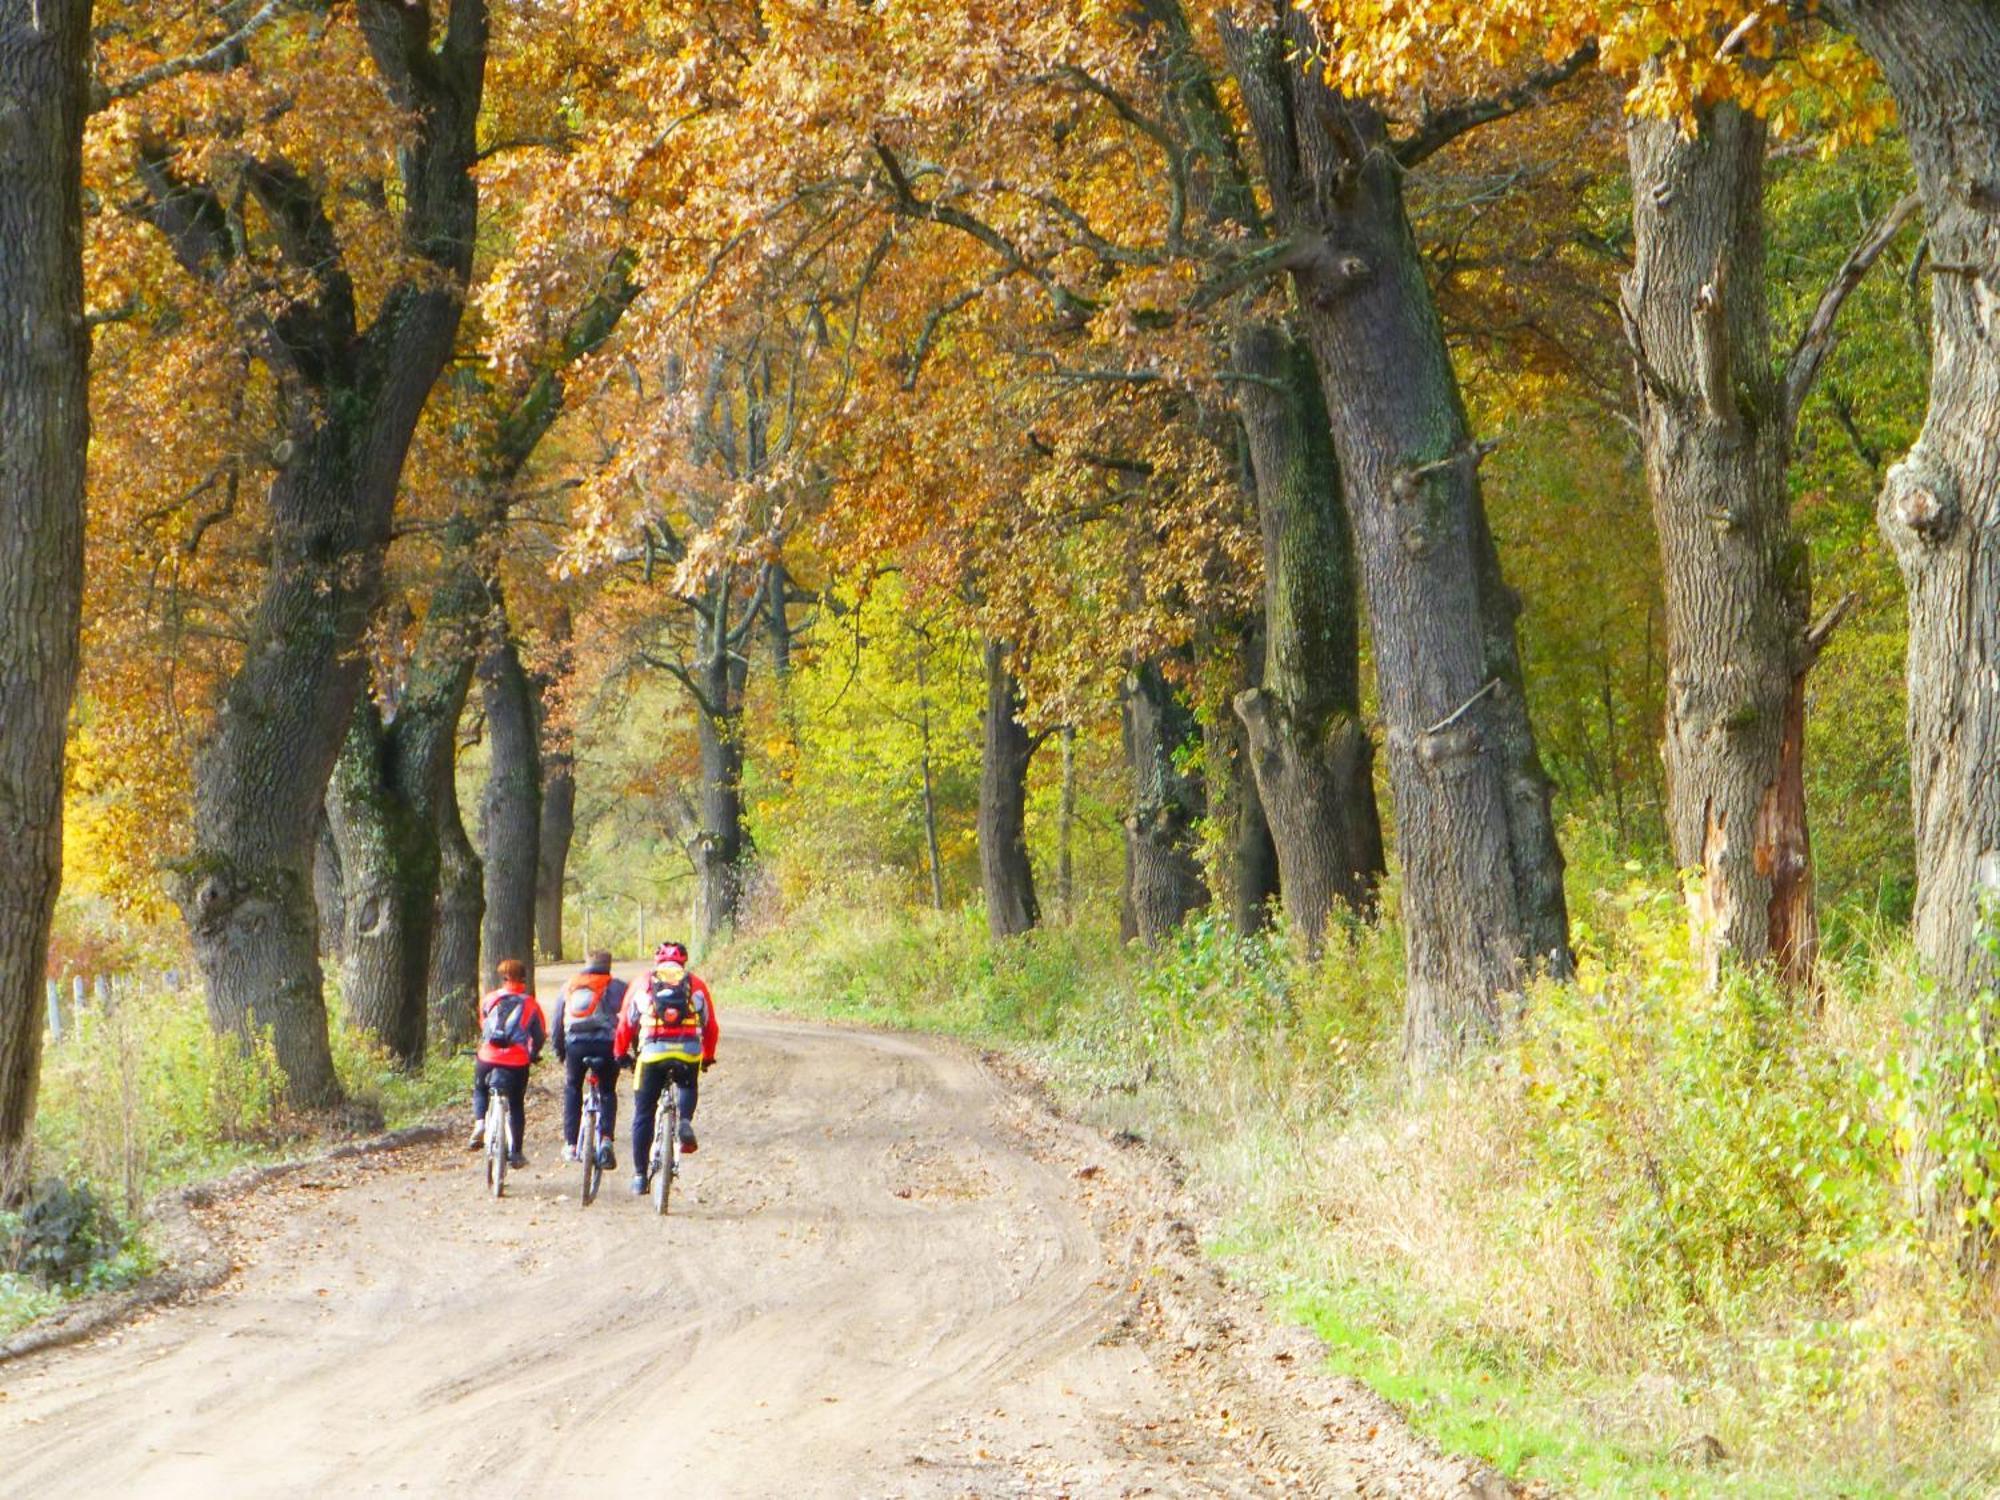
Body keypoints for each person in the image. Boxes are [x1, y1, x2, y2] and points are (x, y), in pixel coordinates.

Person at [616, 941, 718, 1194]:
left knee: (643, 1113)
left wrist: (621, 1053)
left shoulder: (643, 982)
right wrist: (707, 1055)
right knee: (688, 1082)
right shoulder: (696, 985)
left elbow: (625, 1023)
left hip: (652, 1053)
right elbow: (710, 1026)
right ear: (684, 962)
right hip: (688, 1051)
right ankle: (684, 1120)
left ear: (657, 961)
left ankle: (640, 1176)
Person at [468, 958, 546, 1169]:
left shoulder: (489, 999)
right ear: (524, 979)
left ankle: (480, 1124)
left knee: (480, 1088)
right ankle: (516, 1153)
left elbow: (484, 1026)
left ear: (503, 978)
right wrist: (533, 1053)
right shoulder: (530, 1004)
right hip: (517, 1060)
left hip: (488, 1057)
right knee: (516, 1104)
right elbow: (539, 1035)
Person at [553, 950, 627, 1169]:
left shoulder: (569, 985)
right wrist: (626, 1052)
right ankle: (605, 1140)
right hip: (607, 1045)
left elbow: (557, 1021)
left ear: (586, 964)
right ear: (609, 965)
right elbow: (630, 1021)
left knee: (573, 1088)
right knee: (607, 1091)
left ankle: (571, 1144)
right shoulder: (617, 987)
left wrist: (560, 1051)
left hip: (576, 1045)